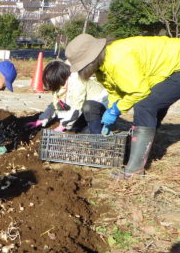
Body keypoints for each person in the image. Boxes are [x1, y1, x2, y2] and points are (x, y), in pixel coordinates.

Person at [65, 34, 180, 178]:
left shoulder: (118, 59)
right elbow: (116, 91)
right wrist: (112, 109)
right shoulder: (102, 68)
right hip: (167, 68)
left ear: (90, 61)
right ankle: (145, 149)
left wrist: (116, 110)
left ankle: (135, 170)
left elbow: (139, 91)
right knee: (152, 103)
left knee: (145, 105)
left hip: (177, 66)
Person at [26, 60, 108, 134]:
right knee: (73, 127)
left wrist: (63, 125)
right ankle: (84, 126)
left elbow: (76, 107)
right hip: (83, 108)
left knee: (89, 107)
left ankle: (97, 133)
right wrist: (42, 119)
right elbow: (55, 104)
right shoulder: (60, 84)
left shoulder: (77, 82)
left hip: (100, 105)